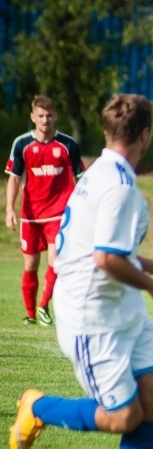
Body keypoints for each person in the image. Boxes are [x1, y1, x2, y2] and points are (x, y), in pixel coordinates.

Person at [8, 93, 153, 449]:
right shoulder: (118, 186)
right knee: (123, 416)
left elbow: (102, 248)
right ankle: (39, 408)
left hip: (119, 307)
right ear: (146, 134)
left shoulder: (98, 173)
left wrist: (151, 264)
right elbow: (104, 260)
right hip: (92, 315)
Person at [5, 95, 84, 325]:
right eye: (40, 115)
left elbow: (81, 178)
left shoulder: (68, 145)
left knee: (56, 260)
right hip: (30, 215)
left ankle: (43, 306)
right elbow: (14, 179)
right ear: (33, 117)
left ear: (55, 116)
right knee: (30, 264)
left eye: (49, 115)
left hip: (59, 213)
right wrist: (10, 209)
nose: (45, 120)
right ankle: (29, 314)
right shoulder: (22, 144)